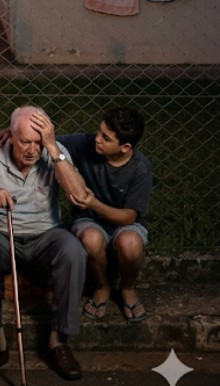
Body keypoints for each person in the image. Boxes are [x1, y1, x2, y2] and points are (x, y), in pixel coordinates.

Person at [0, 105, 86, 381]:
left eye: (38, 142)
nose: (32, 150)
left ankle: (59, 341)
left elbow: (79, 195)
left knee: (73, 251)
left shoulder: (53, 152)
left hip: (46, 236)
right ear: (10, 136)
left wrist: (51, 146)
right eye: (26, 141)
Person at [59, 106, 152, 324]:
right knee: (91, 239)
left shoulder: (140, 168)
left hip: (124, 223)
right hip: (89, 220)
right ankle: (102, 287)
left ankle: (127, 288)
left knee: (130, 243)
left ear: (125, 147)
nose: (97, 139)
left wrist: (93, 203)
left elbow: (129, 217)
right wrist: (7, 132)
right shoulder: (87, 143)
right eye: (99, 132)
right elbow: (51, 141)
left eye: (106, 137)